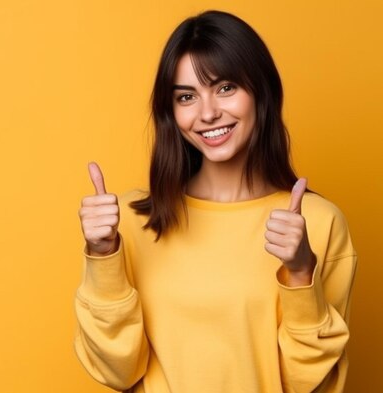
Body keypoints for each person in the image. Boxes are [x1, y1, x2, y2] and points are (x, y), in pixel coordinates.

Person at [74, 10, 356, 393]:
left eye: (225, 88)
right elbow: (118, 371)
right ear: (171, 113)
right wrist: (103, 254)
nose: (207, 113)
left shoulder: (319, 224)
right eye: (187, 96)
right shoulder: (125, 222)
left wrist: (302, 274)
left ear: (262, 91)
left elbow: (310, 384)